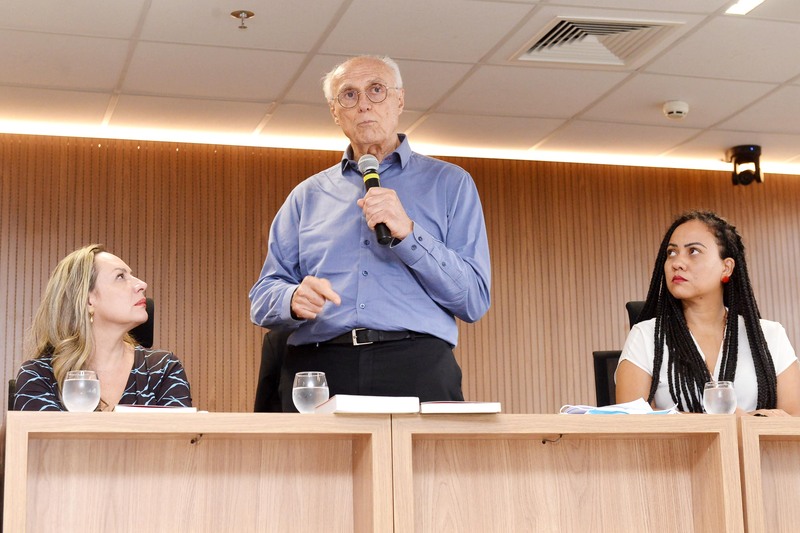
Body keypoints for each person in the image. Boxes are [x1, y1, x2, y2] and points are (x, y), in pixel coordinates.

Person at [249, 55, 491, 411]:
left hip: (417, 366)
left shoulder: (451, 184)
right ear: (335, 112)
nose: (363, 104)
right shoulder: (306, 196)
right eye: (349, 95)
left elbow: (473, 300)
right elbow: (262, 296)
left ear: (399, 100)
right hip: (320, 368)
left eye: (376, 90)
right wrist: (291, 299)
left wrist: (409, 234)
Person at [616, 210, 800, 415]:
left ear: (726, 267)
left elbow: (793, 421)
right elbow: (632, 420)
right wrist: (734, 421)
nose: (677, 263)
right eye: (671, 253)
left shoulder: (770, 335)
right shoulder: (646, 336)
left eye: (693, 251)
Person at [13, 244, 192, 411]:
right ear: (88, 300)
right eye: (120, 277)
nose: (142, 285)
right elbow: (42, 436)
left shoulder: (163, 369)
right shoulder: (39, 375)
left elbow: (180, 435)